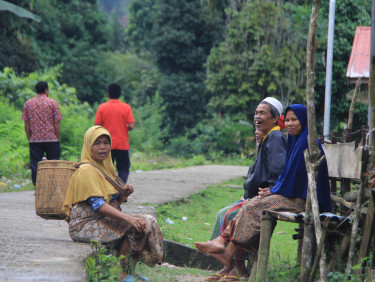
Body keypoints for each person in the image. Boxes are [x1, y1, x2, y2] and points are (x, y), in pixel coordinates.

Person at [195, 104, 332, 281]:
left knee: (255, 205)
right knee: (252, 203)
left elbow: (295, 180)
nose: (289, 124)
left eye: (294, 120)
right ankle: (225, 247)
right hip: (292, 195)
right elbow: (287, 175)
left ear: (304, 121)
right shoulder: (295, 140)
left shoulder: (306, 142)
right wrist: (272, 190)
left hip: (304, 201)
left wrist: (274, 190)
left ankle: (225, 247)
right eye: (288, 120)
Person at [62, 126, 163, 281]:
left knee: (148, 220)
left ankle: (130, 268)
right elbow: (99, 206)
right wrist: (129, 218)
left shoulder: (105, 168)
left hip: (101, 220)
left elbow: (111, 201)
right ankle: (119, 271)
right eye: (97, 143)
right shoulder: (86, 170)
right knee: (131, 226)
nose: (103, 147)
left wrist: (122, 196)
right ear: (89, 145)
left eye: (106, 142)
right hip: (85, 224)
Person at [206, 97, 287, 281]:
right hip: (252, 196)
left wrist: (271, 189)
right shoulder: (267, 138)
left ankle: (238, 266)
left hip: (263, 198)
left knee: (232, 215)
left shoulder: (275, 138)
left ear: (275, 119)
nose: (257, 116)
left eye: (262, 113)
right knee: (222, 214)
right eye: (256, 113)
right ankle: (229, 264)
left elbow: (277, 171)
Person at [21, 81, 63, 186]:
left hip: (35, 139)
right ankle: (53, 184)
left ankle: (38, 185)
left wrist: (29, 137)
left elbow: (27, 123)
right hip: (51, 138)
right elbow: (57, 122)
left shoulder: (28, 103)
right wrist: (57, 137)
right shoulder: (52, 103)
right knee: (53, 162)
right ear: (46, 90)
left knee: (36, 163)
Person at [95, 83, 135, 184]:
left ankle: (108, 193)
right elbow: (131, 126)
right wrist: (123, 127)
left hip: (106, 145)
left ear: (108, 94)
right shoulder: (126, 107)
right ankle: (120, 191)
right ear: (120, 94)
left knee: (107, 170)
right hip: (122, 144)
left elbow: (97, 126)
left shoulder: (102, 107)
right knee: (123, 168)